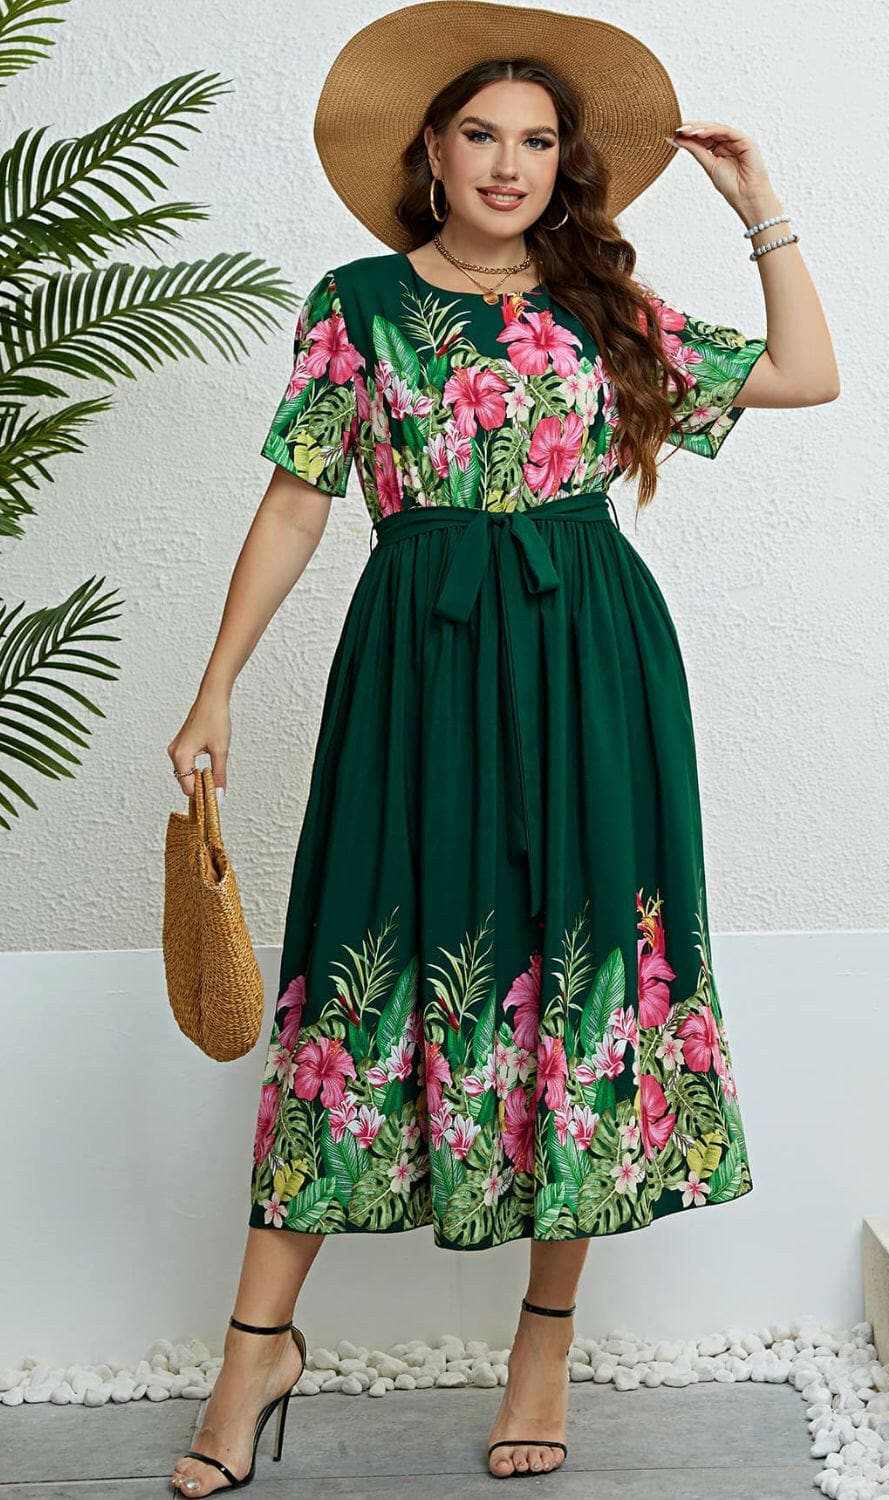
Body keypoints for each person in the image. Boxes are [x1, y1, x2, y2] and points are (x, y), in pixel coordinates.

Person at [166, 3, 839, 1491]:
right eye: (481, 133)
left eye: (537, 141)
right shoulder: (355, 302)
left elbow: (806, 374)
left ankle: (544, 1346)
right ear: (430, 148)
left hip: (592, 662)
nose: (508, 164)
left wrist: (760, 207)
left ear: (564, 163)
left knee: (575, 966)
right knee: (359, 963)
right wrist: (216, 687)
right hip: (417, 661)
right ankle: (254, 1351)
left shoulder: (605, 304)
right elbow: (298, 498)